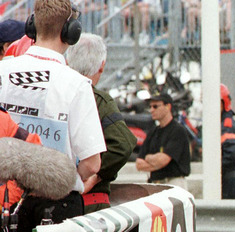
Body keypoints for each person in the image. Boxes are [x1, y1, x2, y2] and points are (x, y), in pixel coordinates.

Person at [0, 0, 106, 218]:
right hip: (57, 205)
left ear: (32, 26)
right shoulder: (76, 84)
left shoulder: (2, 71)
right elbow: (92, 164)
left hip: (5, 200)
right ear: (71, 32)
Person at [66, 33, 137, 213]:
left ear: (67, 62)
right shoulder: (99, 100)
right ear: (102, 66)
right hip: (89, 204)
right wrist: (96, 175)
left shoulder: (56, 93)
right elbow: (123, 143)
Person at [135, 92, 192, 188]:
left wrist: (149, 158)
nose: (151, 110)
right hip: (155, 183)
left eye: (155, 106)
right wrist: (159, 163)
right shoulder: (153, 132)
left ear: (167, 106)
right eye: (150, 107)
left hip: (173, 183)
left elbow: (163, 160)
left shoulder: (177, 130)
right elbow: (139, 164)